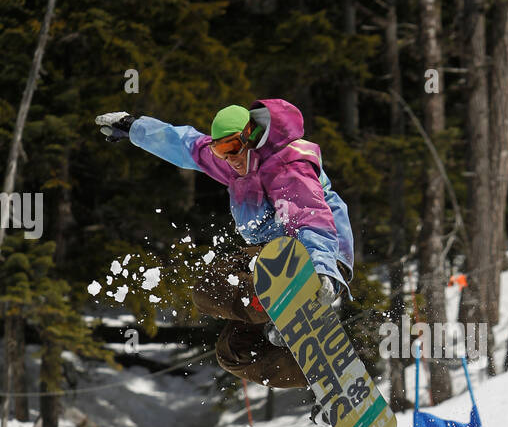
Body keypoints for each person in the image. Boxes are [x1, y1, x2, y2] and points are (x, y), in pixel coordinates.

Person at [94, 100, 354, 391]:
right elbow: (184, 144)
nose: (228, 158)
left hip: (316, 257)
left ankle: (284, 308)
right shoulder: (233, 162)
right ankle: (322, 380)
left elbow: (311, 218)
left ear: (251, 137)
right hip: (270, 259)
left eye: (232, 148)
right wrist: (134, 128)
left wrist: (323, 269)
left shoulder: (285, 165)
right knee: (233, 351)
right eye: (220, 151)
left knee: (215, 283)